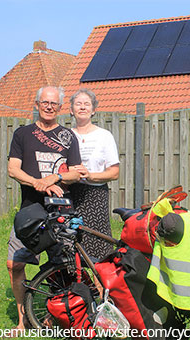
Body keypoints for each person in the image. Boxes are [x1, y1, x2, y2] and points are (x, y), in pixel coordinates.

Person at [6, 86, 81, 332]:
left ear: (60, 108)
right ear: (36, 104)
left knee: (62, 265)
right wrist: (38, 183)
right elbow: (13, 169)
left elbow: (76, 171)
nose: (49, 107)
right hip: (30, 210)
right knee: (15, 264)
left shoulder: (68, 136)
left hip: (60, 211)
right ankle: (22, 320)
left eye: (54, 104)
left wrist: (53, 179)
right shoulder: (23, 134)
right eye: (45, 102)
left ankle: (54, 317)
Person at [68, 88, 120, 260]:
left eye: (86, 104)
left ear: (93, 110)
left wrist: (90, 175)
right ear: (71, 109)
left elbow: (114, 172)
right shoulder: (66, 135)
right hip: (69, 194)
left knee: (98, 245)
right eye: (78, 104)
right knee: (69, 243)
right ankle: (73, 286)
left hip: (95, 195)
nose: (82, 107)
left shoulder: (104, 136)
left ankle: (100, 286)